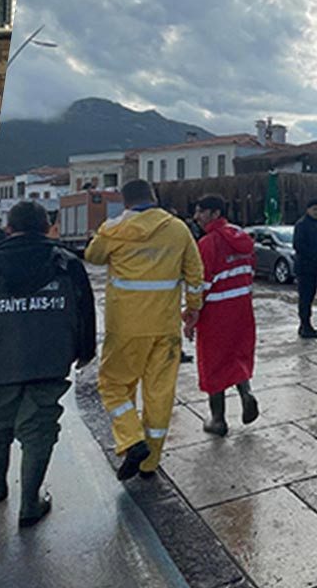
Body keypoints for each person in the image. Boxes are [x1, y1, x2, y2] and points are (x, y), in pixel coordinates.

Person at [0, 201, 96, 528]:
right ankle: (29, 504)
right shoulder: (67, 263)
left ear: (8, 229)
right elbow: (85, 310)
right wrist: (85, 350)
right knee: (39, 427)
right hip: (50, 359)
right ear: (47, 226)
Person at [84, 179, 204, 481]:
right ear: (154, 197)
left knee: (113, 385)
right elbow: (195, 272)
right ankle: (150, 462)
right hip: (165, 328)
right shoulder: (178, 229)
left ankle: (130, 439)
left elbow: (93, 257)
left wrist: (101, 233)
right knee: (159, 393)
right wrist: (193, 308)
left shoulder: (114, 229)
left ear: (126, 202)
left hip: (125, 326)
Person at [186, 195, 259, 436]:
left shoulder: (208, 243)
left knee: (213, 363)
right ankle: (246, 394)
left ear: (215, 213)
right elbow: (251, 271)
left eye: (201, 212)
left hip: (215, 313)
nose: (197, 217)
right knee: (238, 355)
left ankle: (217, 420)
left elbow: (201, 285)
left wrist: (191, 315)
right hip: (242, 308)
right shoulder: (243, 238)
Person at [295, 199, 317, 338]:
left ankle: (305, 325)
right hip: (306, 268)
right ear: (308, 210)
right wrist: (314, 255)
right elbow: (298, 246)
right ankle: (305, 325)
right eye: (315, 209)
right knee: (306, 298)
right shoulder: (302, 225)